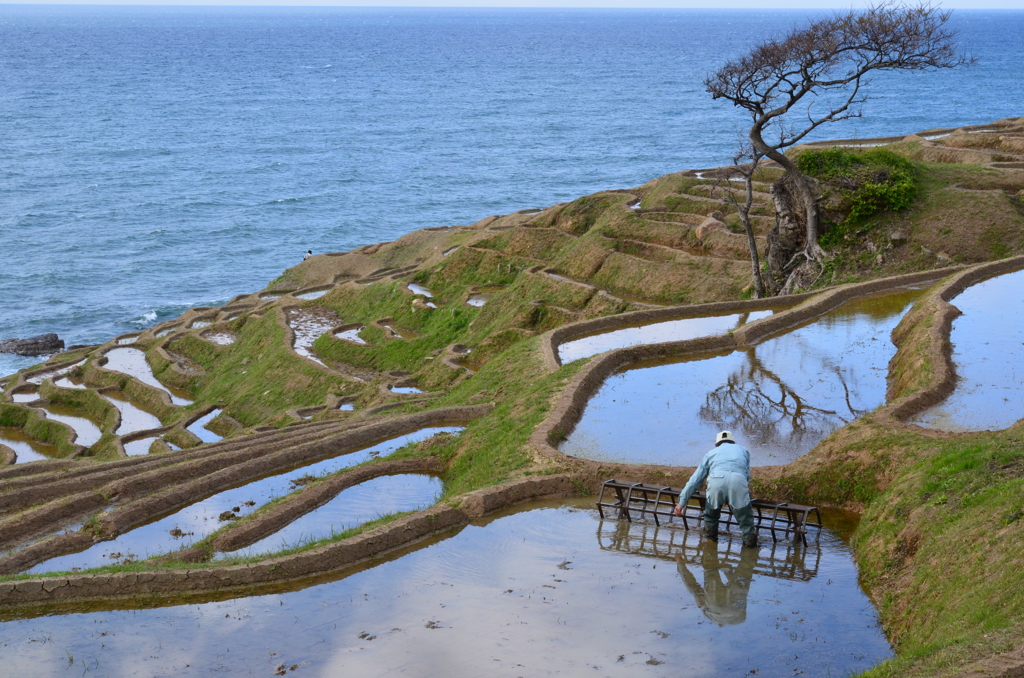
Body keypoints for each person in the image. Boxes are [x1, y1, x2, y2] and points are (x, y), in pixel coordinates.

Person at [674, 430, 758, 549]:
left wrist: (681, 502)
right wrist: (732, 495)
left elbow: (696, 479)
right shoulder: (744, 451)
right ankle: (750, 550)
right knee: (746, 521)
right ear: (733, 442)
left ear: (716, 444)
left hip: (716, 481)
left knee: (711, 517)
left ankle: (710, 545)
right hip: (738, 481)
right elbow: (746, 475)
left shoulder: (711, 453)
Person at [675, 541, 758, 626]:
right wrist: (680, 565)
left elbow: (738, 591)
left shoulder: (739, 619)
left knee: (746, 567)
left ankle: (750, 545)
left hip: (735, 610)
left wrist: (729, 575)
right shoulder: (709, 615)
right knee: (710, 567)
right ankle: (710, 541)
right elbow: (693, 588)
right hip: (714, 607)